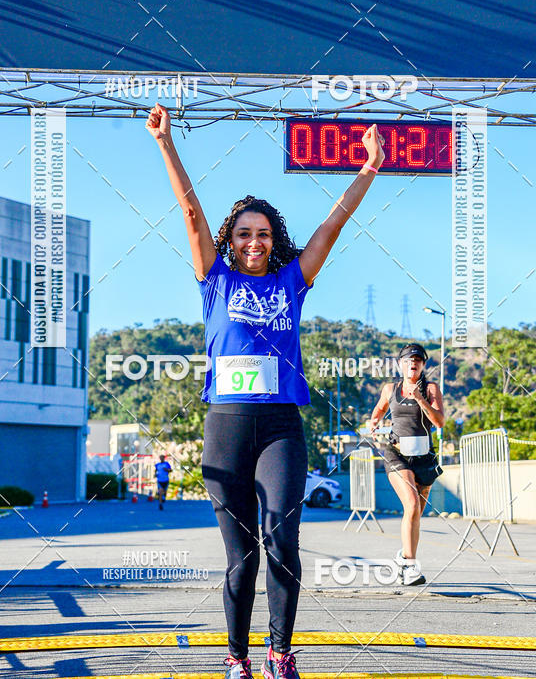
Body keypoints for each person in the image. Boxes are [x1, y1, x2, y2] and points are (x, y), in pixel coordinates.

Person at [146, 103, 384, 679]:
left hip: (280, 426)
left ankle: (281, 652)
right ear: (231, 241)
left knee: (282, 540)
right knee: (240, 557)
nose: (254, 242)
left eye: (264, 234)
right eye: (244, 234)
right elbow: (192, 212)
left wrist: (370, 168)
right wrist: (165, 143)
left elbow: (332, 226)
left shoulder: (292, 282)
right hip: (225, 426)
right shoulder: (214, 279)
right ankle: (236, 657)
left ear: (274, 240)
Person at [369, 342, 445, 585]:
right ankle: (411, 567)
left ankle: (403, 558)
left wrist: (421, 399)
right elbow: (378, 411)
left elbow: (440, 422)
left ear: (423, 365)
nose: (413, 363)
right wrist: (374, 422)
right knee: (411, 504)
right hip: (396, 453)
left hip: (423, 458)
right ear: (400, 364)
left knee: (416, 514)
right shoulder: (390, 388)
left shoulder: (431, 389)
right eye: (409, 360)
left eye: (418, 360)